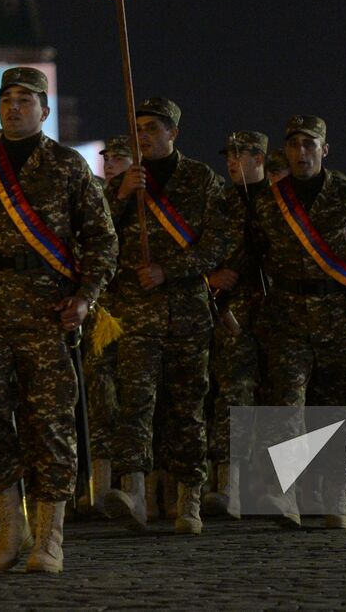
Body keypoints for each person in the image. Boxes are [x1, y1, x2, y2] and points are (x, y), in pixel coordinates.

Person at [0, 67, 117, 573]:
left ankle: (49, 538)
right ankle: (9, 524)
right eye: (8, 99)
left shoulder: (67, 166)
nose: (15, 107)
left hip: (48, 313)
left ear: (45, 110)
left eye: (26, 99)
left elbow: (103, 241)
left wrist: (85, 297)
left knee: (49, 425)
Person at [97, 98, 234, 535]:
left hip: (188, 312)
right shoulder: (121, 184)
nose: (144, 136)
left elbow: (217, 244)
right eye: (138, 128)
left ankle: (188, 497)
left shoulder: (201, 180)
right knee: (135, 404)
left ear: (173, 133)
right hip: (136, 311)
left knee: (187, 407)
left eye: (153, 128)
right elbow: (96, 235)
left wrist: (169, 269)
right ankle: (133, 490)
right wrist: (121, 195)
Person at [244, 115, 346, 529]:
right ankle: (285, 495)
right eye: (294, 145)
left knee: (339, 411)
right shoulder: (271, 202)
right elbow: (251, 260)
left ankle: (335, 493)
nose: (302, 152)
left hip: (338, 317)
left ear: (325, 150)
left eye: (310, 145)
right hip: (287, 316)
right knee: (286, 407)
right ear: (286, 151)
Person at [202, 130, 269, 517]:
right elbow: (198, 250)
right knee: (232, 395)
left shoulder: (280, 203)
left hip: (281, 312)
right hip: (232, 311)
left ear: (259, 158)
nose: (232, 162)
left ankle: (274, 485)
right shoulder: (220, 203)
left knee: (279, 398)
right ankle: (230, 484)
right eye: (229, 155)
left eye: (241, 155)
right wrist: (212, 278)